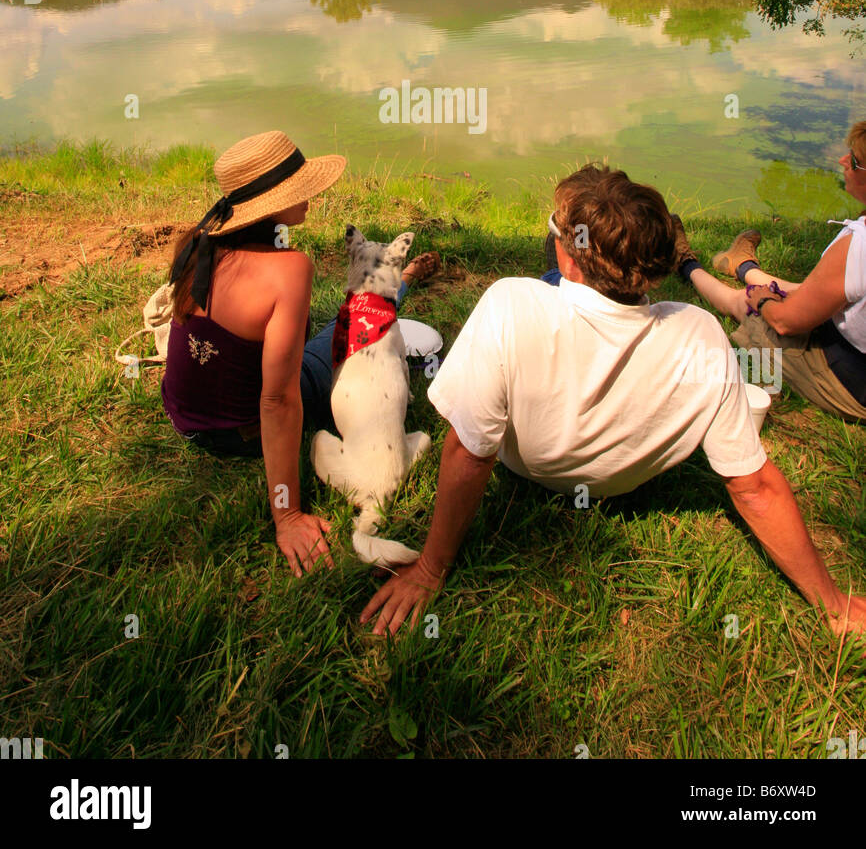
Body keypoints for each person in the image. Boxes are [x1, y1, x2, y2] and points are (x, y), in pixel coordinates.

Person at [361, 164, 866, 637]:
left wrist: (430, 567)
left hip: (532, 465)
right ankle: (596, 276)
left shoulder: (508, 304)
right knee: (555, 289)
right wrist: (831, 601)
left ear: (567, 252)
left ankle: (569, 279)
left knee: (545, 289)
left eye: (557, 233)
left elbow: (471, 453)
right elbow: (753, 484)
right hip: (623, 484)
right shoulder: (699, 334)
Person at [161, 130, 441, 576]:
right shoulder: (290, 269)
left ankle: (400, 279)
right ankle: (399, 279)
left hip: (186, 419)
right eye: (300, 187)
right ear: (270, 204)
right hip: (239, 431)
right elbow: (278, 400)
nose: (312, 194)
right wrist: (286, 515)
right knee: (358, 316)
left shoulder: (201, 241)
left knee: (344, 320)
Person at [671, 121, 866, 423]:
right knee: (806, 290)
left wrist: (762, 301)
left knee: (746, 303)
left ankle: (685, 264)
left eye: (854, 161)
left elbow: (786, 322)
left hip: (850, 380)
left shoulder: (859, 246)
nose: (843, 161)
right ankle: (743, 265)